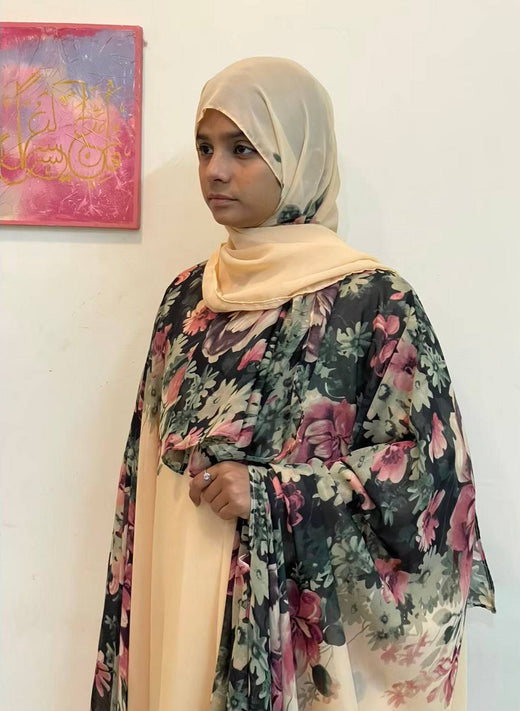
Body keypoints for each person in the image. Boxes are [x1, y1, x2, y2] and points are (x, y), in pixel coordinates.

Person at [90, 57, 495, 711]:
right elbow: (146, 473)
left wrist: (272, 492)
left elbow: (429, 476)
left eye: (242, 149)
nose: (215, 171)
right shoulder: (185, 299)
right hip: (182, 585)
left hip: (299, 619)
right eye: (204, 148)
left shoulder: (371, 299)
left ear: (299, 156)